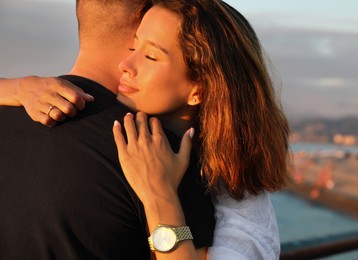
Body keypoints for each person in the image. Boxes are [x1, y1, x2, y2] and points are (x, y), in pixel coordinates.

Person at [0, 0, 288, 259]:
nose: (126, 64)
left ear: (201, 87)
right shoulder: (164, 162)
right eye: (134, 46)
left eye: (150, 55)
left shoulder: (181, 168)